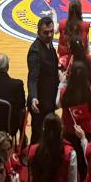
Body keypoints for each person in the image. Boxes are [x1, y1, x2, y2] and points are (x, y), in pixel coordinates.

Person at [27, 15, 59, 143]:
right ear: (38, 32)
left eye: (52, 31)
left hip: (49, 98)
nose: (50, 35)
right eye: (46, 32)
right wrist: (34, 97)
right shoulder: (35, 52)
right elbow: (32, 78)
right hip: (40, 102)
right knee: (38, 134)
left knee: (49, 134)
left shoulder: (49, 45)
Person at [27, 114, 77, 182]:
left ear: (43, 129)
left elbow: (31, 180)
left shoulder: (32, 150)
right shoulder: (70, 154)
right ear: (61, 130)